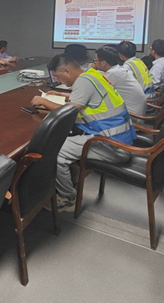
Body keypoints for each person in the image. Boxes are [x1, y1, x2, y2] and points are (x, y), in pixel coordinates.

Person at [31, 54, 136, 212]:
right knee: (66, 138)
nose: (58, 81)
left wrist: (43, 101)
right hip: (120, 139)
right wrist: (66, 96)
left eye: (58, 76)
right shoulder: (93, 74)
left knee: (55, 151)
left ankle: (68, 198)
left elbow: (69, 112)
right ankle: (68, 181)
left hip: (112, 146)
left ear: (66, 71)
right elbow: (90, 100)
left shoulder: (83, 82)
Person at [93, 45, 147, 116]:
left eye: (95, 60)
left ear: (103, 63)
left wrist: (90, 70)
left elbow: (95, 90)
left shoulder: (113, 74)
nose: (95, 63)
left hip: (131, 116)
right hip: (136, 113)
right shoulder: (119, 70)